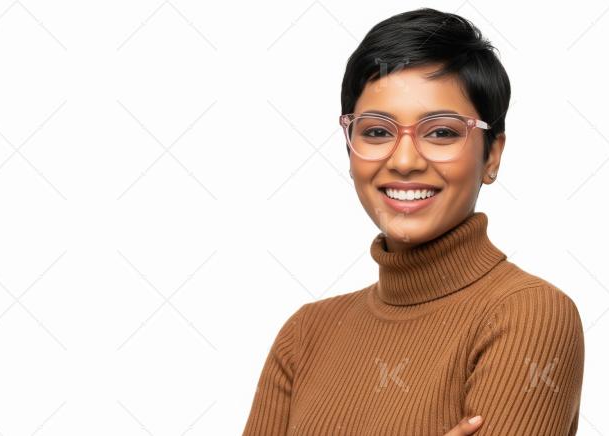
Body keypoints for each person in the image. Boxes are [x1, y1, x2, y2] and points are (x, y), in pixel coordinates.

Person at [242, 7, 584, 435]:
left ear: (492, 156)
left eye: (441, 132)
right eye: (377, 131)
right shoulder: (305, 334)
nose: (404, 161)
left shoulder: (528, 314)